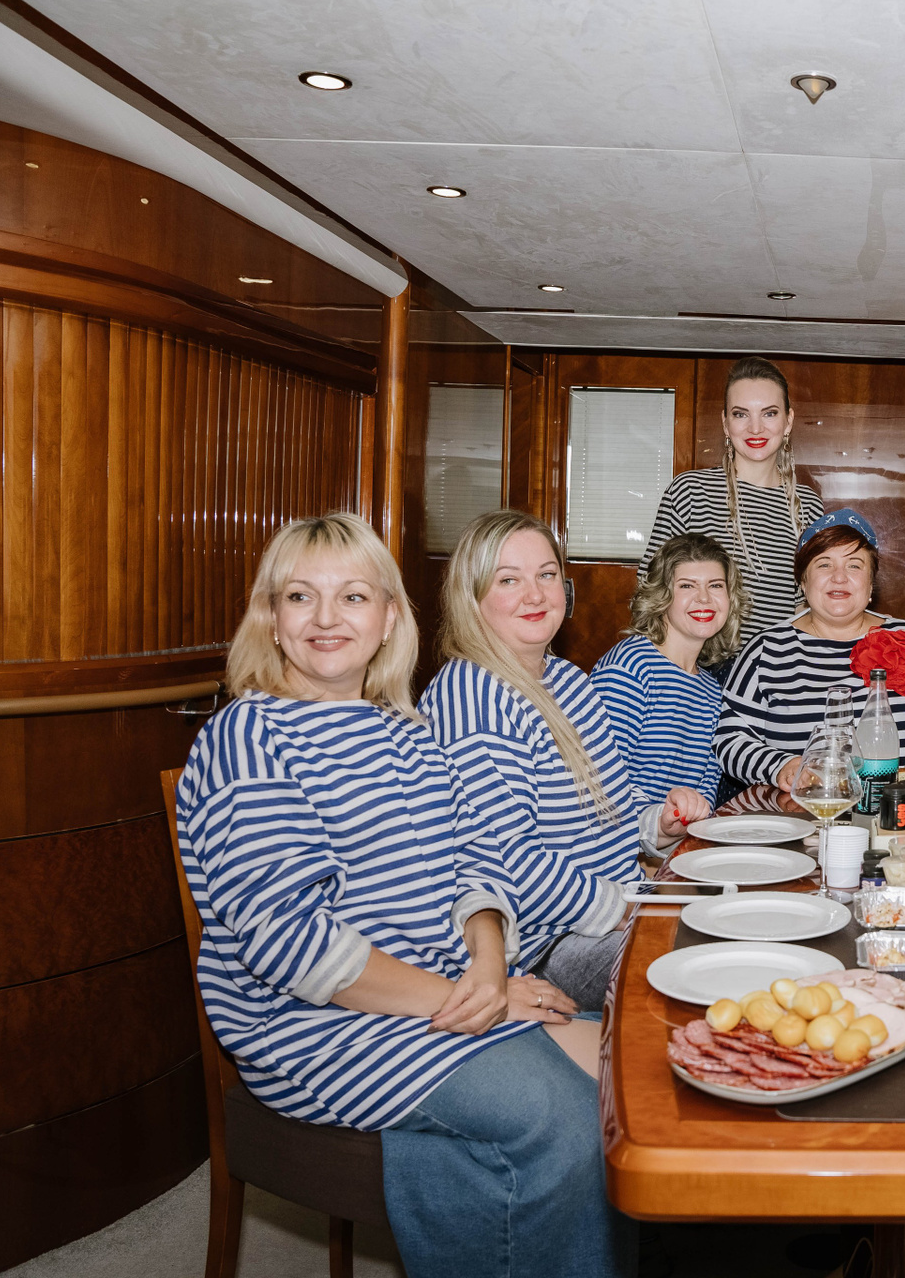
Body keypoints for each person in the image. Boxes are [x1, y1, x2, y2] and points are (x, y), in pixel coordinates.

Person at [174, 512, 631, 1277]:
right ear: (271, 618)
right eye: (301, 596)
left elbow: (477, 866)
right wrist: (471, 999)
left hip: (439, 991)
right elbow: (293, 945)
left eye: (353, 596)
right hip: (318, 1026)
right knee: (567, 1116)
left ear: (389, 617)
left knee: (629, 1082)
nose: (326, 617)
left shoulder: (407, 732)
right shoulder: (248, 738)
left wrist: (489, 966)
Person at [422, 509, 710, 1011]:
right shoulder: (471, 693)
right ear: (471, 596)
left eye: (546, 575)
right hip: (546, 943)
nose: (535, 595)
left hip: (618, 899)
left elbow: (612, 803)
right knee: (714, 962)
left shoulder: (566, 679)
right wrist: (628, 909)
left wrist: (657, 824)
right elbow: (510, 862)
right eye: (508, 580)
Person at [716, 508, 905, 791]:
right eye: (824, 564)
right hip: (802, 809)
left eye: (854, 565)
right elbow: (730, 737)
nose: (839, 577)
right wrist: (780, 766)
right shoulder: (766, 649)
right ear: (803, 581)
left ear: (871, 583)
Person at [643, 356, 825, 646]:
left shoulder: (809, 506)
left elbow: (807, 605)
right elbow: (651, 591)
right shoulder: (690, 492)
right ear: (725, 423)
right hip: (699, 666)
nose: (755, 428)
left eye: (769, 413)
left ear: (788, 421)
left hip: (774, 665)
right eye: (741, 414)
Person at [594, 532, 747, 809]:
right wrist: (657, 824)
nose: (704, 598)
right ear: (661, 596)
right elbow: (600, 783)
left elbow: (706, 790)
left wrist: (691, 821)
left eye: (715, 585)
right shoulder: (628, 669)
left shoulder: (712, 689)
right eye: (687, 586)